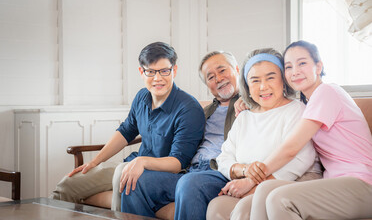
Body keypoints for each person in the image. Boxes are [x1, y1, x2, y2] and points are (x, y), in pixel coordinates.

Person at [50, 42, 205, 211]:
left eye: (164, 71)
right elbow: (126, 131)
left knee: (121, 176)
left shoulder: (189, 109)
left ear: (174, 70)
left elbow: (178, 162)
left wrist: (142, 161)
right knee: (68, 184)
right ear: (142, 72)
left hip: (161, 176)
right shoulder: (141, 97)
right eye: (151, 72)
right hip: (131, 165)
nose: (157, 78)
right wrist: (95, 162)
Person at [174, 48, 319, 220]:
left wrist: (254, 185)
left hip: (288, 184)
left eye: (270, 77)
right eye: (255, 80)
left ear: (283, 80)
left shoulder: (296, 110)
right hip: (250, 183)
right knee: (216, 207)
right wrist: (244, 170)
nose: (263, 87)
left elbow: (300, 160)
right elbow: (223, 159)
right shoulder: (244, 117)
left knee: (243, 209)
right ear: (247, 87)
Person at [245, 40, 372, 220]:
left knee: (280, 199)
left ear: (318, 67)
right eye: (288, 67)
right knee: (265, 189)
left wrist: (251, 179)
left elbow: (291, 148)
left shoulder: (326, 92)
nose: (295, 71)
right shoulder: (309, 103)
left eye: (302, 63)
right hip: (336, 183)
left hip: (362, 184)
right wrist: (245, 103)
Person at [118, 50, 240, 218]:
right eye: (210, 77)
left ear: (237, 70)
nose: (218, 79)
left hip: (220, 172)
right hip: (190, 171)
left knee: (189, 184)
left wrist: (246, 99)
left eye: (222, 70)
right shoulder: (203, 112)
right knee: (134, 182)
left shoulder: (249, 106)